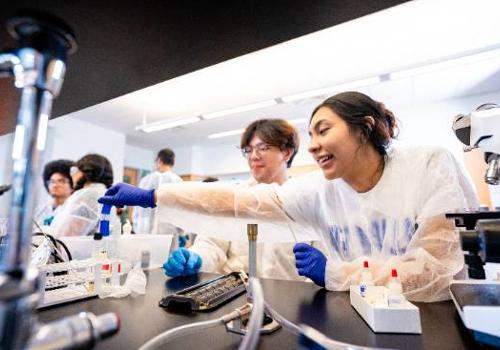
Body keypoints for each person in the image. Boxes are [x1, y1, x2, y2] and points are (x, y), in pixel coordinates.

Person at [99, 91, 478, 302]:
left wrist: (336, 272)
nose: (314, 146)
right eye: (310, 135)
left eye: (323, 130)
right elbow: (239, 203)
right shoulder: (319, 191)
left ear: (365, 127)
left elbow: (437, 273)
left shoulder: (427, 165)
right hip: (354, 314)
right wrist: (155, 196)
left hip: (429, 323)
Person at [163, 118, 322, 280]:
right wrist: (196, 258)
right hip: (235, 297)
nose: (253, 156)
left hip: (290, 300)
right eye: (248, 149)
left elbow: (321, 263)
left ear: (287, 152)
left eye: (262, 148)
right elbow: (212, 246)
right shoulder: (233, 198)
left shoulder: (305, 201)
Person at [51, 153, 114, 237]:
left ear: (85, 171)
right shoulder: (103, 193)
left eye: (74, 170)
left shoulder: (89, 195)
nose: (72, 175)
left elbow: (66, 235)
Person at [133, 148, 182, 234]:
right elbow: (181, 210)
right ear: (173, 163)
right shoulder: (178, 182)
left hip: (144, 230)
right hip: (169, 232)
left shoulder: (145, 181)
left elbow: (137, 207)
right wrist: (181, 231)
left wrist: (136, 226)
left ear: (159, 161)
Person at [35, 159, 75, 226]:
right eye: (52, 181)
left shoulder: (73, 210)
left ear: (73, 185)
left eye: (61, 181)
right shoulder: (40, 209)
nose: (55, 185)